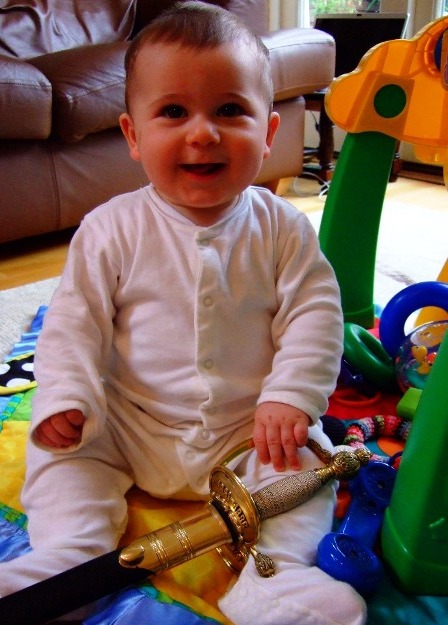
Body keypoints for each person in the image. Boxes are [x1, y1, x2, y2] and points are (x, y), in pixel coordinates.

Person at [0, 3, 366, 624]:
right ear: (133, 135)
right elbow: (73, 325)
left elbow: (315, 314)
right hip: (129, 422)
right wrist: (67, 398)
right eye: (173, 112)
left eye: (230, 110)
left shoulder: (282, 228)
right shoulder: (110, 228)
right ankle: (70, 560)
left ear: (270, 132)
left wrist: (290, 396)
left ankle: (273, 576)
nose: (202, 134)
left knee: (307, 462)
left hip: (248, 430)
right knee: (63, 452)